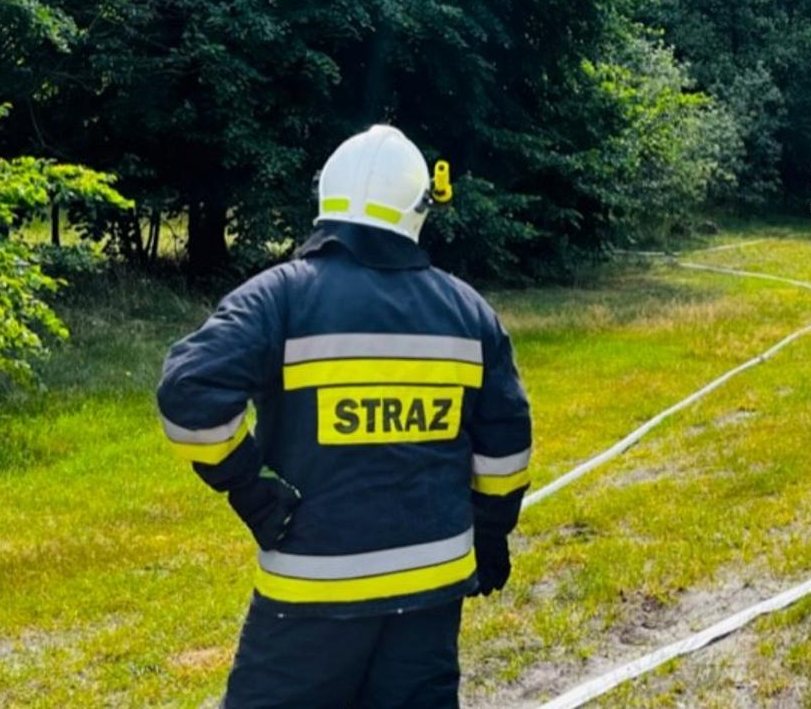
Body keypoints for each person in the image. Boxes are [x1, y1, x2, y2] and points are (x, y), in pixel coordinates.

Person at [156, 125, 533, 708]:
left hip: (310, 592)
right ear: (419, 209)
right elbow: (506, 448)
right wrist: (491, 533)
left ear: (326, 200)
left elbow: (188, 394)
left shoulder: (281, 298)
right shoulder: (468, 311)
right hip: (432, 589)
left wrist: (250, 488)